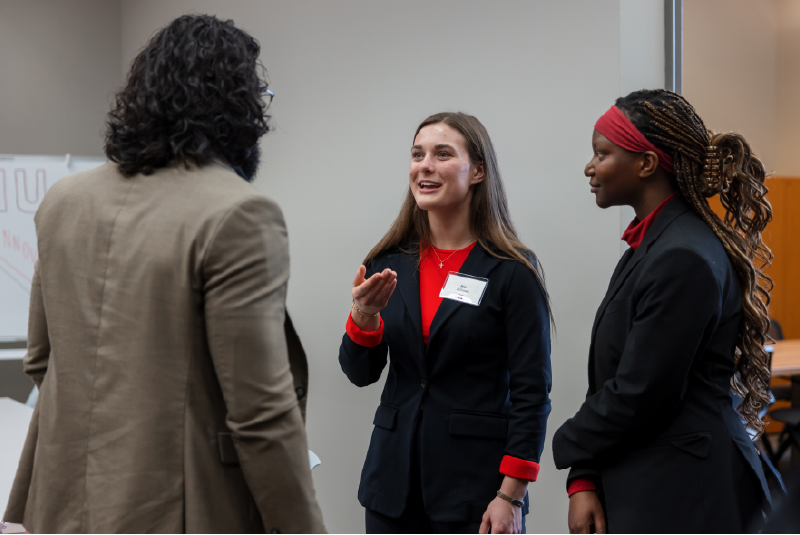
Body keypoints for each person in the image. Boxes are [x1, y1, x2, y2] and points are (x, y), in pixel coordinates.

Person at [3, 15, 325, 534]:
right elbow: (260, 415)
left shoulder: (63, 201)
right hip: (180, 508)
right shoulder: (239, 213)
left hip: (61, 501)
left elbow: (42, 358)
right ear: (237, 102)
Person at [553, 89, 775, 534]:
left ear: (647, 164)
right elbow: (616, 380)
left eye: (602, 153)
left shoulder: (683, 255)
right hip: (659, 475)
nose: (590, 167)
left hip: (689, 488)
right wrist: (584, 479)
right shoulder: (657, 243)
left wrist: (566, 442)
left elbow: (641, 393)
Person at [338, 112, 552, 534]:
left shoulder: (512, 270)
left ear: (477, 172)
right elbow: (360, 374)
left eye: (442, 154)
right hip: (392, 487)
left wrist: (511, 495)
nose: (425, 166)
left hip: (477, 492)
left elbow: (532, 393)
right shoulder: (388, 262)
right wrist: (364, 316)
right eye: (418, 155)